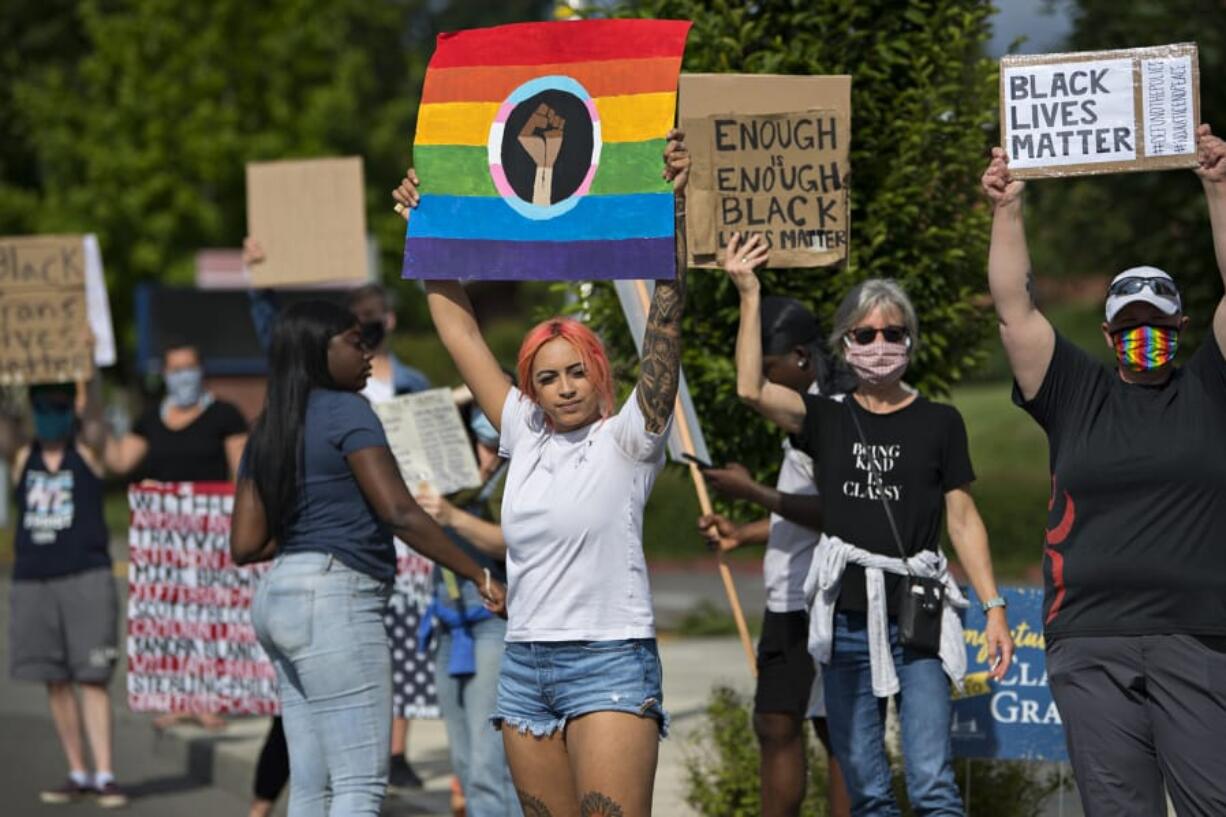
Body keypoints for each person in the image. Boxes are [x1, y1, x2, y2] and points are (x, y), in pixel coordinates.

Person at [391, 128, 690, 817]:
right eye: (545, 376)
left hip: (610, 662)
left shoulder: (631, 437)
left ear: (600, 376)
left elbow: (665, 330)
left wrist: (675, 212)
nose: (561, 387)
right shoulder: (521, 432)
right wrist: (425, 227)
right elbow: (460, 333)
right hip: (524, 662)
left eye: (575, 372)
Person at [716, 235, 1014, 817]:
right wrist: (748, 293)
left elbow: (962, 517)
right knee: (867, 789)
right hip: (846, 620)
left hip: (919, 616)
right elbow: (750, 388)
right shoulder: (827, 416)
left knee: (930, 783)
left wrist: (994, 606)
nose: (880, 345)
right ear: (845, 344)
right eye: (865, 334)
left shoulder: (940, 422)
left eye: (893, 333)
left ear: (910, 342)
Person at [980, 124, 1226, 816]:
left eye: (1160, 320)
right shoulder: (1075, 392)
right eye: (1131, 322)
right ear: (1111, 334)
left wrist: (1219, 188)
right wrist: (1008, 207)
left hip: (1199, 638)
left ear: (1181, 327)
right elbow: (1014, 306)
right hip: (1090, 641)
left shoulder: (1212, 386)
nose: (1146, 332)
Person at [229, 300, 506, 817]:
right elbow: (399, 511)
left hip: (280, 597)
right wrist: (479, 573)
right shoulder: (348, 410)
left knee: (313, 786)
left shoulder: (269, 423)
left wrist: (309, 523)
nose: (367, 352)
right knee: (359, 785)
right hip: (335, 599)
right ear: (319, 349)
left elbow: (244, 545)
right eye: (355, 342)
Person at [695, 292, 853, 817]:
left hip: (824, 600)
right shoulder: (809, 415)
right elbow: (804, 509)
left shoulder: (834, 413)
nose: (761, 379)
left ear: (802, 358)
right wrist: (745, 531)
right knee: (775, 723)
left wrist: (752, 491)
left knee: (837, 734)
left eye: (769, 366)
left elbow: (841, 512)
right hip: (791, 600)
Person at [106, 337, 247, 731]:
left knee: (209, 614)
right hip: (164, 539)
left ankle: (208, 699)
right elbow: (118, 461)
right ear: (165, 374)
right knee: (170, 617)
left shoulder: (225, 415)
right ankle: (177, 698)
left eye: (189, 367)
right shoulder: (149, 420)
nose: (182, 376)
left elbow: (240, 474)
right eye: (174, 369)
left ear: (201, 370)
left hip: (210, 533)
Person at [8, 381, 127, 808]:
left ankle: (106, 774)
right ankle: (78, 771)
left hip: (86, 578)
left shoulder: (88, 454)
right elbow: (6, 429)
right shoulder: (24, 457)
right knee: (55, 679)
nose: (49, 413)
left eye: (57, 406)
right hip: (33, 580)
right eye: (41, 406)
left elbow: (95, 422)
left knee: (92, 678)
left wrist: (88, 374)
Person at [347, 283, 439, 790]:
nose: (368, 324)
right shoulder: (341, 384)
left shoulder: (412, 383)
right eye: (359, 317)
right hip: (357, 532)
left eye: (373, 315)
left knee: (402, 643)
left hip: (404, 534)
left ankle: (396, 750)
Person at [416, 399, 521, 816]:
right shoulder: (449, 476)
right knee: (462, 761)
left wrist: (453, 518)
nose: (487, 454)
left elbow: (511, 541)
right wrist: (459, 395)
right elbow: (415, 414)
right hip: (448, 623)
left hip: (491, 624)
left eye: (495, 443)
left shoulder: (517, 476)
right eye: (480, 441)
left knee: (488, 763)